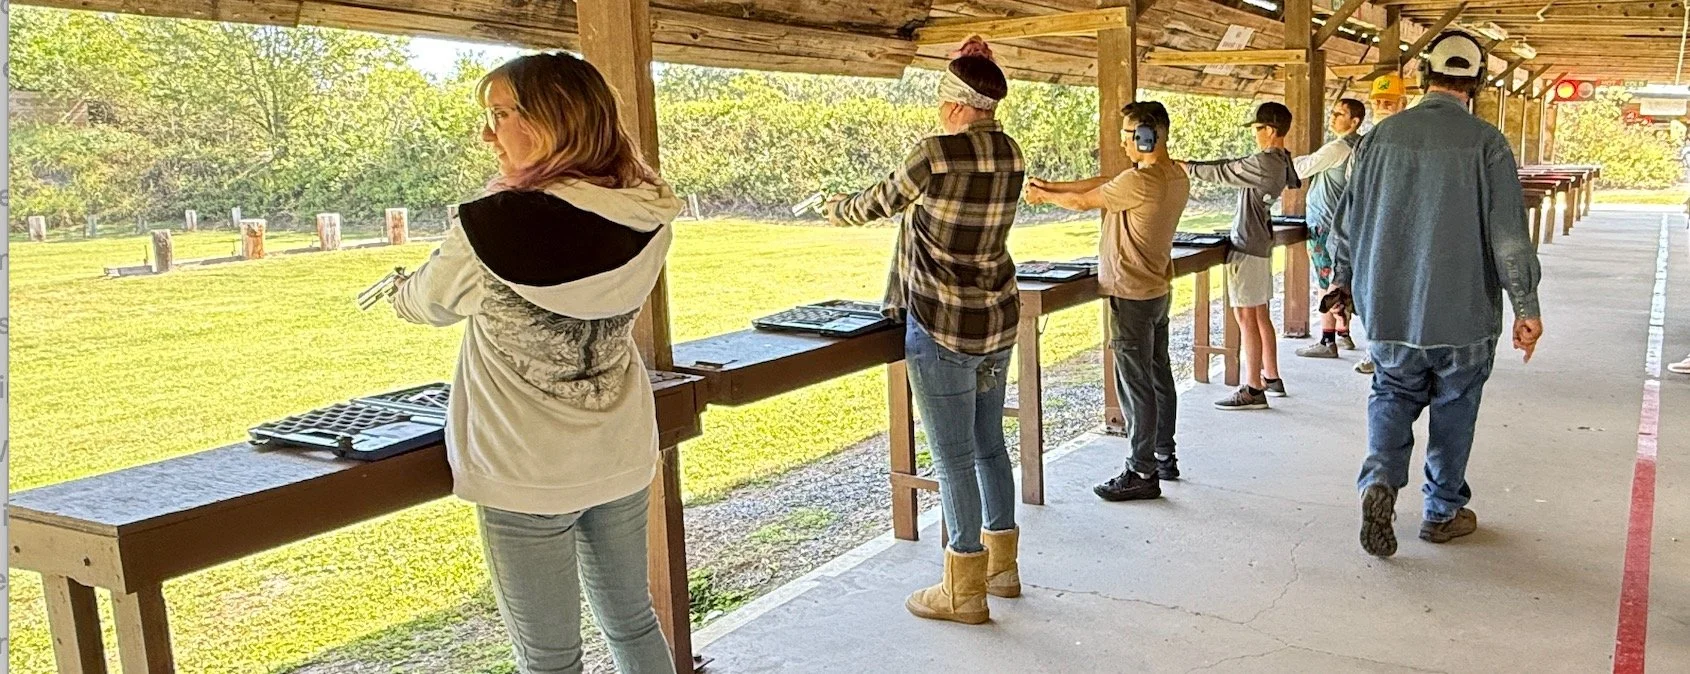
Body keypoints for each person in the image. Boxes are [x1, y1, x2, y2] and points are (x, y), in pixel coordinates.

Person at [390, 52, 680, 673]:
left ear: (553, 121)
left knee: (549, 659)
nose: (487, 135)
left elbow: (426, 303)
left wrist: (396, 288)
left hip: (525, 468)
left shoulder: (486, 229)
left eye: (499, 115)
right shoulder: (649, 213)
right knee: (633, 623)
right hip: (620, 448)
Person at [825, 37, 1025, 625]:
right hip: (996, 320)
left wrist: (833, 206)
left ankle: (963, 588)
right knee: (990, 446)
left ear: (960, 105)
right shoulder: (1012, 154)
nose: (939, 108)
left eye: (944, 97)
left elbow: (877, 203)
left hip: (939, 325)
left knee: (953, 457)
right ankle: (1003, 570)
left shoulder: (934, 154)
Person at [1329, 31, 1544, 558]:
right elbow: (1509, 236)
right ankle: (1443, 511)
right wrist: (1526, 306)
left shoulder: (1379, 138)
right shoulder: (1486, 142)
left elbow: (1347, 223)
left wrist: (1341, 281)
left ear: (1425, 77)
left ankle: (1379, 481)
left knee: (1391, 394)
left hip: (1390, 309)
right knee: (1456, 408)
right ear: (1476, 82)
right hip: (1464, 313)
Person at [1025, 101, 1191, 501]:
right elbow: (1103, 183)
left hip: (1130, 294)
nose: (1123, 142)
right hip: (1155, 291)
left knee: (1136, 386)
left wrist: (1043, 199)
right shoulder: (1172, 175)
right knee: (1157, 376)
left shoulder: (1141, 182)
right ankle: (1163, 456)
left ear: (1148, 137)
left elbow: (1087, 201)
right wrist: (1052, 187)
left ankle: (1141, 471)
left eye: (1130, 135)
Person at [1177, 102, 1301, 410]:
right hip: (1259, 244)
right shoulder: (1281, 160)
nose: (1256, 135)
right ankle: (1270, 376)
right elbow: (1233, 165)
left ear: (1271, 130)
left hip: (1248, 246)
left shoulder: (1264, 162)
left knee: (1245, 316)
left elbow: (1223, 171)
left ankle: (1253, 388)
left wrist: (1187, 167)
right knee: (1259, 314)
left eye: (1259, 129)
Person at [1295, 99, 1366, 360]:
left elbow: (1302, 168)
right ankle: (1343, 332)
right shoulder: (1358, 146)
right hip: (1343, 223)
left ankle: (1327, 339)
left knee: (1326, 282)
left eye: (1340, 113)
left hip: (1324, 223)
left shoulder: (1337, 147)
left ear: (1355, 121)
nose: (1333, 117)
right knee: (1341, 278)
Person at [1349, 73, 1408, 376]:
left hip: (1402, 229)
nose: (1383, 106)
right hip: (1374, 231)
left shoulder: (1412, 140)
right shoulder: (1366, 145)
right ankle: (1377, 350)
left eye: (1389, 101)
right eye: (1378, 101)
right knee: (1375, 293)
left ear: (1403, 103)